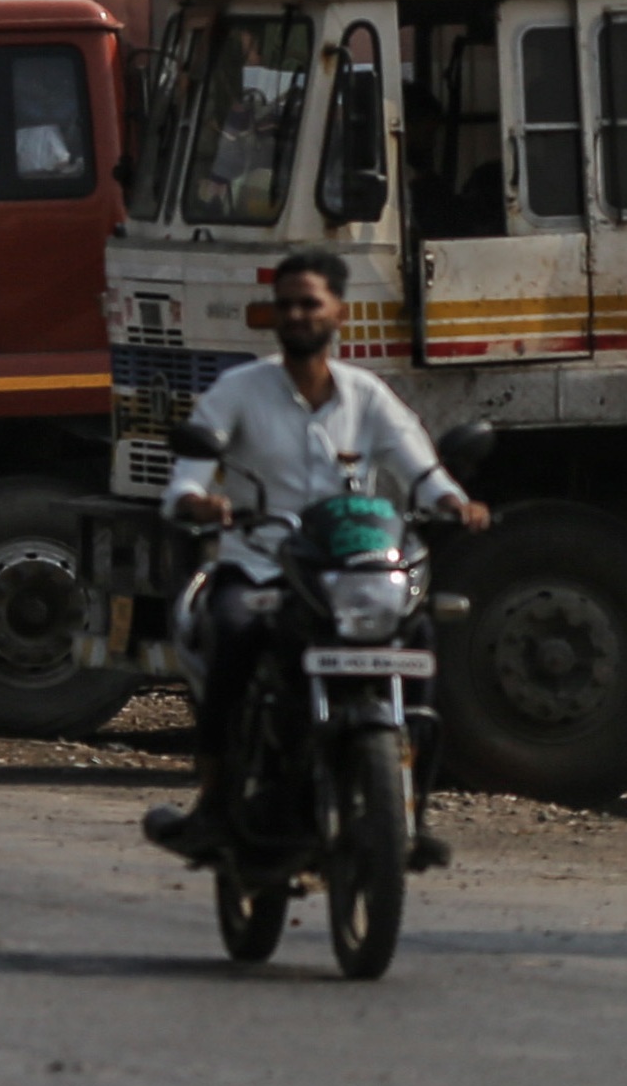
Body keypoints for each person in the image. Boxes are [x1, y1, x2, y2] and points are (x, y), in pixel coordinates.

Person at [143, 246, 488, 859]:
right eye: (287, 306)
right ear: (274, 318)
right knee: (234, 635)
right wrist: (201, 502)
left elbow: (422, 472)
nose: (298, 315)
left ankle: (409, 809)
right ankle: (216, 803)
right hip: (260, 566)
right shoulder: (238, 390)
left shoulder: (368, 396)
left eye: (310, 303)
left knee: (421, 639)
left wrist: (456, 504)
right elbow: (187, 481)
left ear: (339, 314)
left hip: (352, 575)